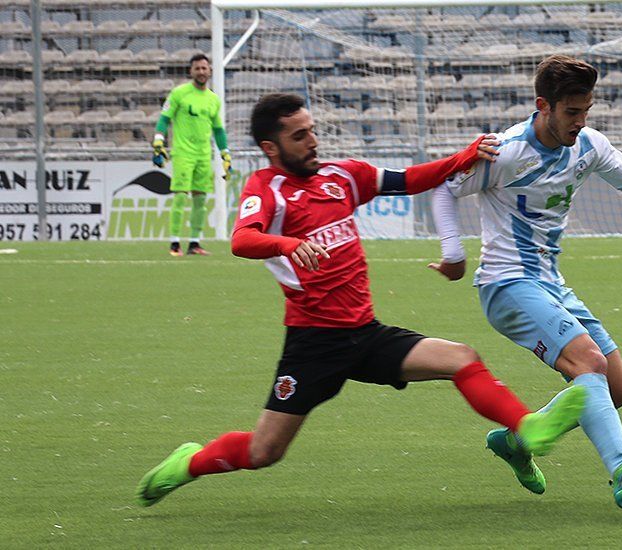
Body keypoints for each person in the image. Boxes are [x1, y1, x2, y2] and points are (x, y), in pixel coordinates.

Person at [136, 93, 587, 507]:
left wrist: (460, 158)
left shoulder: (342, 176)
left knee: (461, 358)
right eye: (299, 136)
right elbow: (242, 239)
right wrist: (287, 244)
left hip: (366, 334)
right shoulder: (266, 188)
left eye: (312, 130)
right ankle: (188, 463)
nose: (312, 141)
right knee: (263, 451)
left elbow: (410, 179)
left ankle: (528, 429)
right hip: (313, 346)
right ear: (271, 148)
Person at [429, 55, 622, 506]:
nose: (581, 121)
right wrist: (453, 254)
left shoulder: (588, 143)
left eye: (587, 110)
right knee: (590, 364)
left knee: (617, 389)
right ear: (543, 105)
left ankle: (516, 443)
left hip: (550, 280)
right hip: (506, 283)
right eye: (572, 112)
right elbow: (444, 188)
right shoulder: (505, 151)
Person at [152, 53, 232, 256]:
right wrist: (159, 140)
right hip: (183, 153)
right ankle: (174, 243)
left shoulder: (213, 99)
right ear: (191, 71)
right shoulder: (179, 93)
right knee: (180, 196)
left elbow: (218, 130)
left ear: (210, 71)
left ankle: (194, 243)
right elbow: (164, 118)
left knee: (201, 200)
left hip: (204, 155)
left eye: (204, 68)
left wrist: (225, 153)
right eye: (197, 68)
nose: (201, 72)